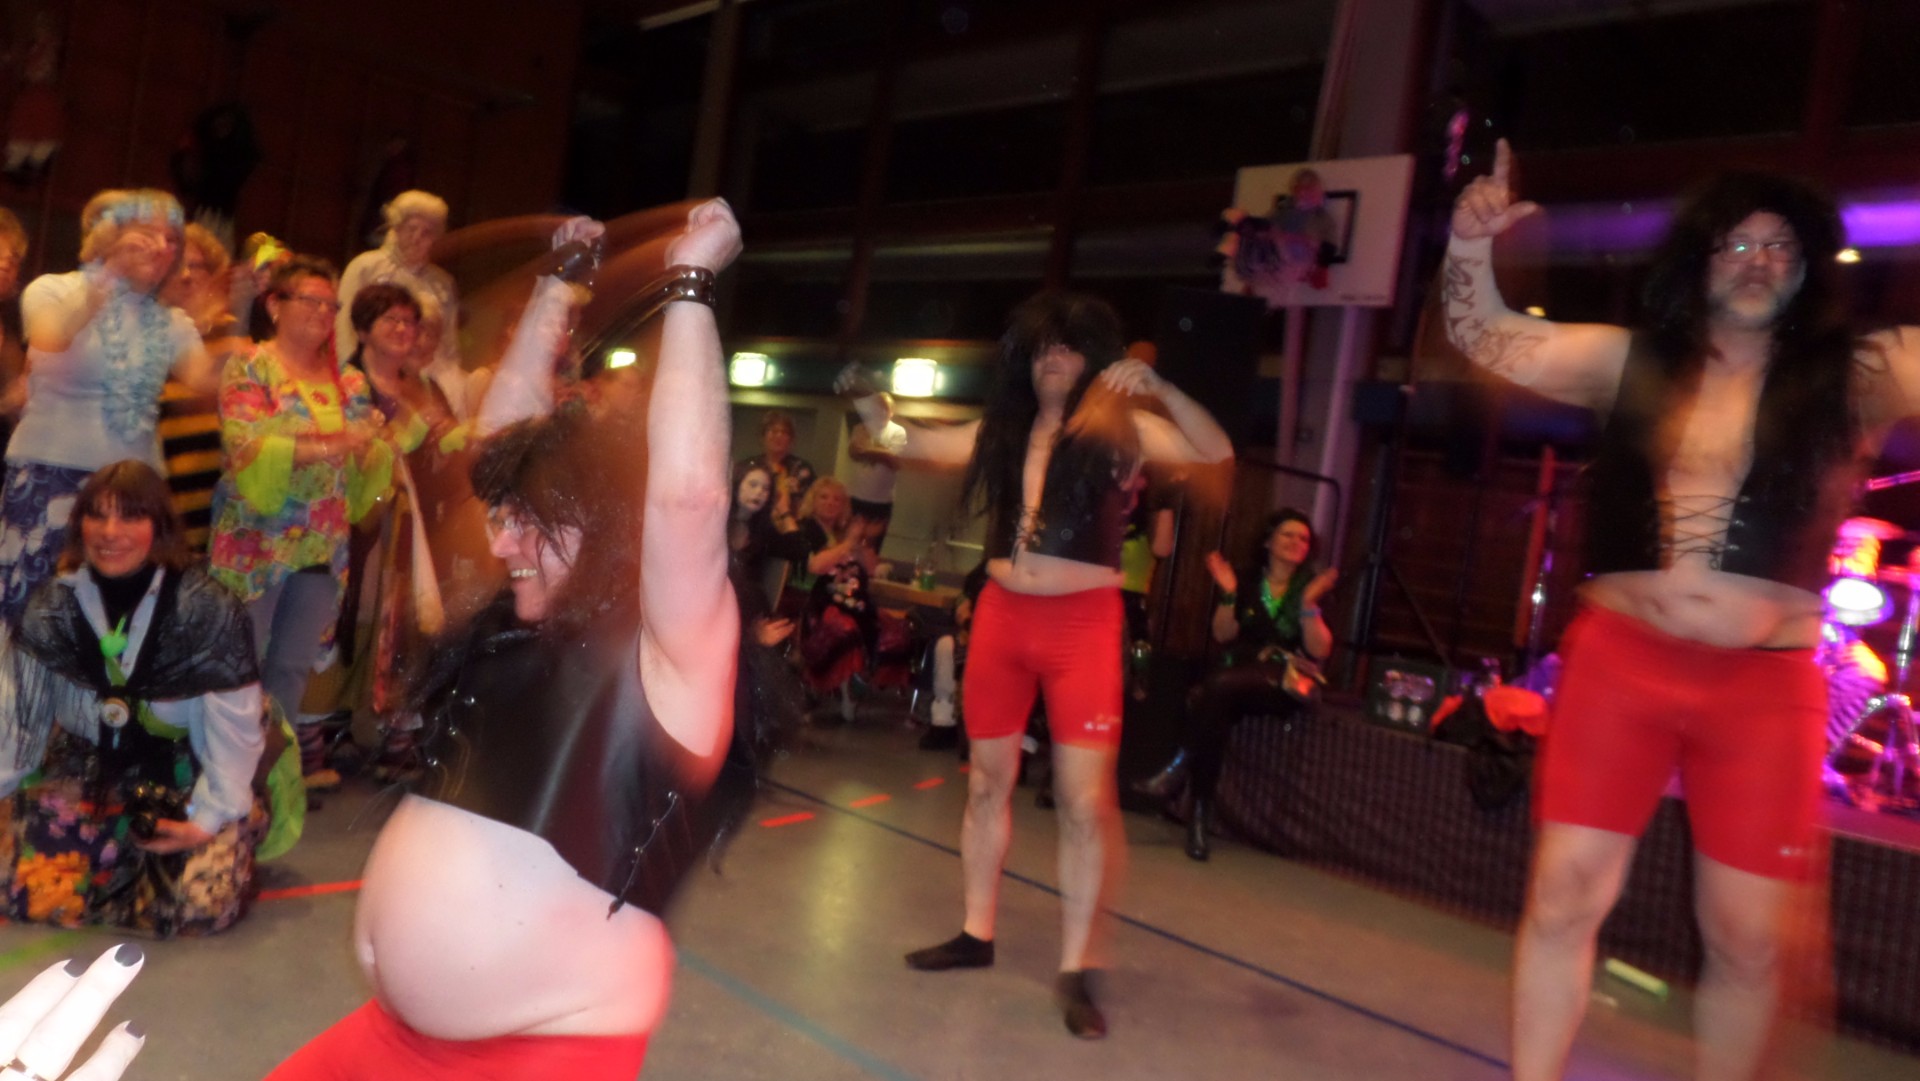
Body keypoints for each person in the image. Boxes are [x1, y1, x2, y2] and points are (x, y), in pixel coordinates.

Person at [1444, 140, 1920, 1081]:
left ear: (1809, 266)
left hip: (1763, 686)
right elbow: (1480, 334)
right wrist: (1468, 243)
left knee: (1748, 939)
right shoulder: (1627, 360)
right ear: (1699, 258)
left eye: (1779, 246)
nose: (1757, 261)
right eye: (1736, 243)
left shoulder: (1860, 372)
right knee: (1563, 896)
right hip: (1622, 661)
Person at [264, 201, 753, 1079]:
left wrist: (691, 281)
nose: (500, 540)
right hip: (388, 1038)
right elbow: (501, 445)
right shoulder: (512, 625)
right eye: (504, 518)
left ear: (606, 525)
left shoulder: (669, 658)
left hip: (538, 1054)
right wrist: (557, 288)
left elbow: (689, 498)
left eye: (531, 521)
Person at [843, 292, 1233, 1038]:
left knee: (1085, 804)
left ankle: (1078, 968)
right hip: (1002, 617)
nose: (1054, 357)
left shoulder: (1126, 432)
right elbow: (907, 439)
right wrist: (865, 399)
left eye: (1068, 346)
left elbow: (1215, 452)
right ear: (1025, 359)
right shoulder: (1002, 430)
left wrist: (1161, 388)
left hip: (1083, 624)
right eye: (1042, 347)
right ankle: (976, 931)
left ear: (1094, 360)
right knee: (986, 783)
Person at [0, 461, 269, 936]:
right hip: (87, 766)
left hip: (186, 769)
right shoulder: (52, 607)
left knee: (195, 908)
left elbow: (236, 728)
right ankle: (111, 857)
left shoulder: (206, 610)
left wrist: (207, 819)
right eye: (97, 515)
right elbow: (17, 721)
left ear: (158, 526)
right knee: (27, 894)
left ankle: (239, 828)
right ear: (80, 525)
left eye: (130, 516)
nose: (110, 532)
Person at [209, 256, 405, 791]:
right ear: (275, 305)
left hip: (322, 543)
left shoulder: (348, 380)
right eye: (310, 301)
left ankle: (269, 789)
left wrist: (375, 445)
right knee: (237, 666)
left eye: (330, 305)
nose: (323, 312)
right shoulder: (250, 365)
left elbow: (365, 459)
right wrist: (335, 444)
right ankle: (220, 785)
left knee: (291, 670)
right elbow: (245, 442)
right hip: (254, 541)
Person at [0, 190, 220, 624]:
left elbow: (209, 385)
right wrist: (108, 275)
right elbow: (49, 339)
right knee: (30, 610)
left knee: (112, 618)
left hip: (133, 489)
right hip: (52, 474)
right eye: (148, 234)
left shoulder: (170, 320)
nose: (161, 247)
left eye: (171, 239)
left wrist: (232, 312)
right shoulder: (53, 290)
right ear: (107, 235)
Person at [1133, 510, 1335, 861]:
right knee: (1215, 704)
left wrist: (1307, 606)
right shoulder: (1246, 578)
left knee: (1212, 691)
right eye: (1288, 535)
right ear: (1268, 541)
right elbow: (1223, 634)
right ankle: (1199, 817)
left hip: (1284, 681)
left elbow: (1319, 650)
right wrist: (1229, 594)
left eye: (1303, 538)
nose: (1296, 542)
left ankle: (1178, 772)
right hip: (1239, 675)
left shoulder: (1310, 585)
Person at [335, 190, 466, 416]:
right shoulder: (366, 266)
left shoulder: (442, 283)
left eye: (426, 233)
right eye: (411, 229)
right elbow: (343, 327)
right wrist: (347, 375)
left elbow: (448, 343)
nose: (417, 238)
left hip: (425, 377)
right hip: (369, 373)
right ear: (395, 228)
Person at [740, 409, 815, 532]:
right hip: (753, 529)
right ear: (763, 436)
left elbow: (810, 505)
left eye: (784, 432)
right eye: (773, 431)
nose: (779, 436)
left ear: (791, 439)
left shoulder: (801, 469)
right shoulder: (749, 467)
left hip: (791, 530)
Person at [845, 401, 901, 551]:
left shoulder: (897, 432)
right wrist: (882, 452)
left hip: (881, 501)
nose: (880, 413)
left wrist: (868, 450)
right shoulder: (860, 428)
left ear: (891, 412)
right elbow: (854, 453)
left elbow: (895, 462)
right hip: (856, 496)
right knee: (851, 539)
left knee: (873, 544)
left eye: (884, 409)